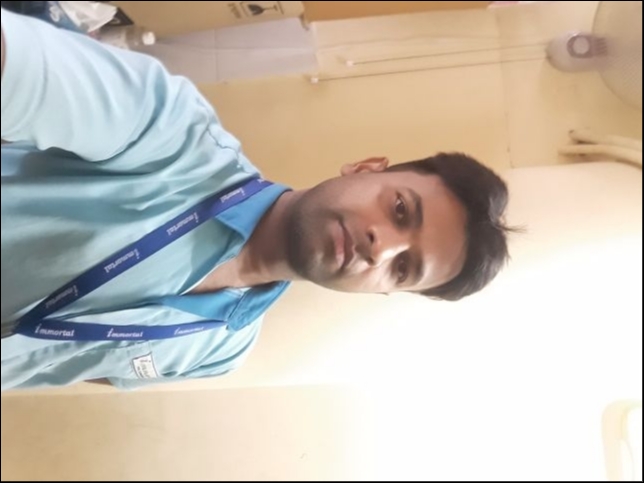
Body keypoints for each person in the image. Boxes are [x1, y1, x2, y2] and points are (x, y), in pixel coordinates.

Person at [0, 9, 511, 391]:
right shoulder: (172, 136)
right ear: (366, 168)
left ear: (382, 292)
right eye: (400, 210)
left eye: (402, 269)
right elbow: (18, 67)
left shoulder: (221, 351)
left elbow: (59, 361)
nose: (381, 248)